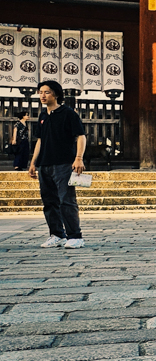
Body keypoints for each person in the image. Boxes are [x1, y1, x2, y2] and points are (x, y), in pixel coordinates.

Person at [27, 81, 86, 249]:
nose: (42, 96)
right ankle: (57, 234)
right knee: (49, 201)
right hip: (45, 164)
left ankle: (75, 236)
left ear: (56, 95)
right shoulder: (43, 116)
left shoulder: (68, 114)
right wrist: (33, 162)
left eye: (47, 92)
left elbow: (81, 136)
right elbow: (40, 140)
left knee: (66, 200)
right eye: (40, 92)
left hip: (64, 163)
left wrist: (79, 158)